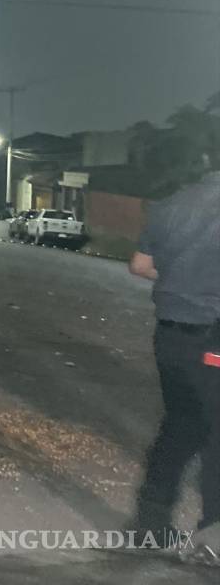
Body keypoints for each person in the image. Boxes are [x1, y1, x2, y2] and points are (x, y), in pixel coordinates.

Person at [129, 158, 220, 554]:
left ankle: (149, 525)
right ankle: (213, 534)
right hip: (213, 341)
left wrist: (181, 281)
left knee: (181, 427)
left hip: (169, 336)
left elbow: (140, 265)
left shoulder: (172, 204)